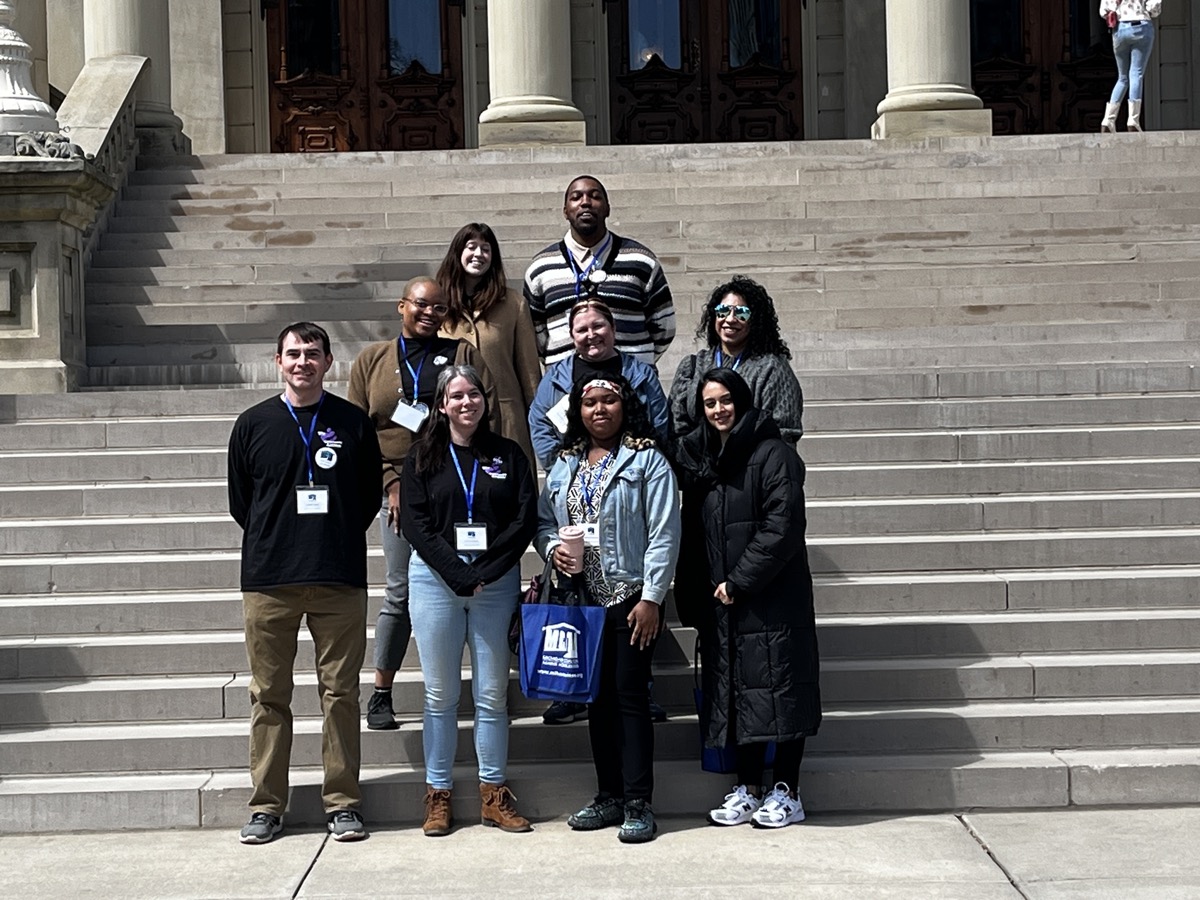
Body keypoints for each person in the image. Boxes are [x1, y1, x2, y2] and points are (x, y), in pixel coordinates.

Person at [227, 322, 381, 845]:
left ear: (329, 361)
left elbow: (365, 500)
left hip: (338, 576)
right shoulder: (252, 424)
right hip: (270, 581)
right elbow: (241, 503)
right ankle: (267, 806)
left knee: (341, 694)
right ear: (277, 361)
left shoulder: (353, 422)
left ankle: (342, 803)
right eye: (293, 354)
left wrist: (328, 535)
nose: (303, 363)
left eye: (312, 354)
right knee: (269, 696)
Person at [348, 276, 499, 731]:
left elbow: (484, 408)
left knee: (473, 584)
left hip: (454, 487)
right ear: (401, 306)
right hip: (394, 489)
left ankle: (475, 688)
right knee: (399, 591)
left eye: (439, 306)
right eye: (421, 305)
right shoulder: (372, 360)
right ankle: (381, 692)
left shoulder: (461, 354)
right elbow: (358, 435)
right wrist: (392, 483)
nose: (430, 313)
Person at [536, 374, 681, 844]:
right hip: (580, 600)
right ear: (578, 410)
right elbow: (544, 522)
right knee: (595, 701)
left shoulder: (647, 461)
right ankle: (608, 795)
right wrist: (552, 546)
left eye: (609, 401)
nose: (599, 409)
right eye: (590, 402)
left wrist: (653, 598)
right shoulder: (564, 463)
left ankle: (639, 802)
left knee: (630, 697)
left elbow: (663, 533)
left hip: (629, 595)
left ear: (625, 406)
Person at [674, 368, 821, 829]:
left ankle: (787, 791)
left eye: (725, 400)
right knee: (741, 693)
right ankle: (749, 788)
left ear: (742, 400)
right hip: (727, 602)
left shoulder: (773, 453)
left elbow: (783, 527)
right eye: (709, 403)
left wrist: (739, 580)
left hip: (772, 597)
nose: (718, 410)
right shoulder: (706, 460)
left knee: (781, 692)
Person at [401, 366, 538, 836]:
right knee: (440, 695)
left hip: (494, 584)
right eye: (456, 396)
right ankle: (438, 796)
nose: (466, 403)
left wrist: (485, 571)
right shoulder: (422, 456)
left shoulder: (508, 454)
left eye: (473, 394)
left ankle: (493, 795)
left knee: (491, 695)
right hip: (436, 583)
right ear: (442, 405)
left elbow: (523, 520)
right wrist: (457, 572)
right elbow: (416, 524)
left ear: (485, 400)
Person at [528, 297, 671, 725]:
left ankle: (639, 688)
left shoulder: (640, 374)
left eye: (598, 326)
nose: (590, 335)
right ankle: (572, 690)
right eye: (581, 329)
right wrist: (569, 466)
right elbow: (540, 425)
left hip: (626, 497)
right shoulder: (555, 380)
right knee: (577, 606)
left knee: (629, 616)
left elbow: (659, 426)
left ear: (613, 329)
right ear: (569, 336)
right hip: (575, 492)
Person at [668, 275, 804, 633]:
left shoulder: (772, 369)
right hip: (702, 498)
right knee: (705, 608)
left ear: (755, 317)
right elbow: (678, 430)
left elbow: (784, 437)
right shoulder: (691, 367)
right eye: (722, 310)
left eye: (741, 311)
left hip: (749, 498)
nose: (730, 318)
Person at [524, 175, 675, 366]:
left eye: (594, 196)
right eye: (576, 197)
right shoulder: (540, 268)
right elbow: (535, 332)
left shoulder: (641, 261)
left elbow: (664, 325)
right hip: (567, 385)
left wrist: (637, 361)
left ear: (608, 208)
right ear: (565, 211)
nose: (585, 202)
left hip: (631, 383)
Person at [437, 222, 542, 465]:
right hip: (453, 418)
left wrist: (536, 418)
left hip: (506, 419)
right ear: (458, 253)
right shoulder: (439, 303)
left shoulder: (513, 304)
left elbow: (529, 370)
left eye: (486, 249)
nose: (478, 254)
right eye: (471, 246)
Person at [1099, 0, 1162, 133]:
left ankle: (1108, 120)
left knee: (1122, 77)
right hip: (1141, 27)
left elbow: (1104, 11)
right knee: (1136, 73)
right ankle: (1133, 119)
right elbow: (1154, 8)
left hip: (1120, 30)